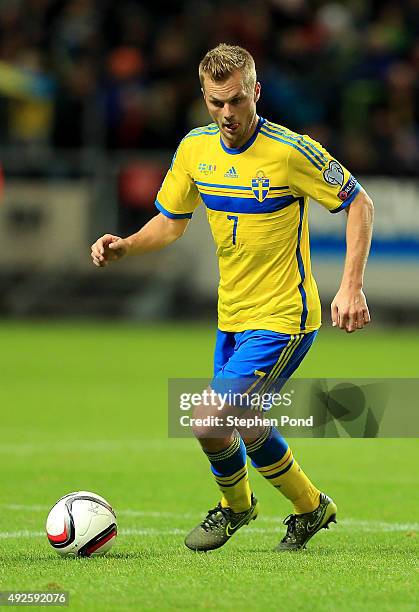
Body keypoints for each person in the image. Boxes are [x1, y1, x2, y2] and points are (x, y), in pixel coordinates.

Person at [91, 44, 374, 552]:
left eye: (237, 101)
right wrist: (127, 244)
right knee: (229, 426)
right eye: (217, 102)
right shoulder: (195, 150)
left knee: (208, 418)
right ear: (204, 96)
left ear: (255, 93)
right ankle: (310, 508)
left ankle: (236, 508)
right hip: (233, 316)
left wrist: (350, 285)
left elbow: (360, 204)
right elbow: (171, 222)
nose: (227, 113)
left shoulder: (291, 152)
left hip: (285, 316)